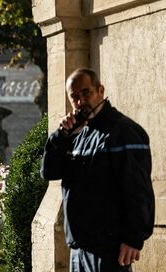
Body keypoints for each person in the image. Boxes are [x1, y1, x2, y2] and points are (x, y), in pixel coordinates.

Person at [41, 68, 154, 271]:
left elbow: (138, 190)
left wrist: (134, 238)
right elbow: (49, 172)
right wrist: (60, 136)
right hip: (79, 248)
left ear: (100, 90)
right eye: (74, 97)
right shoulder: (80, 134)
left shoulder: (124, 132)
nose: (81, 101)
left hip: (109, 249)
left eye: (86, 93)